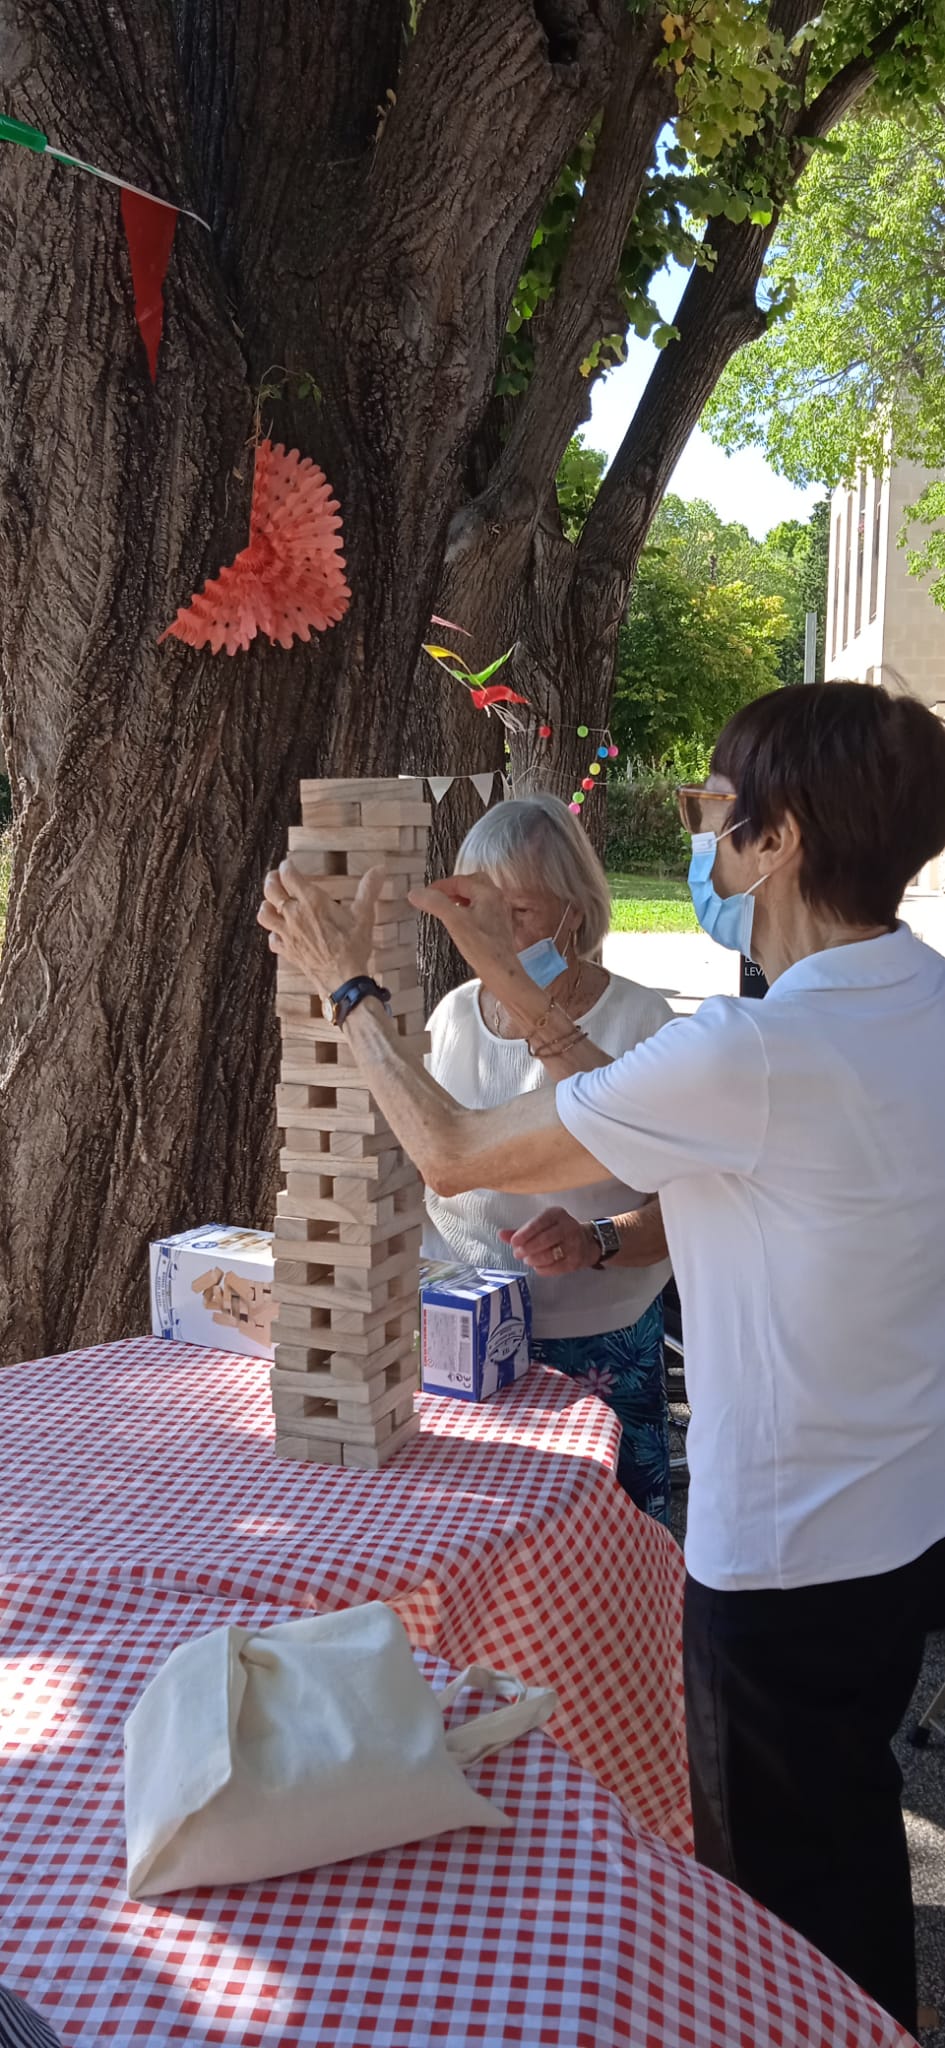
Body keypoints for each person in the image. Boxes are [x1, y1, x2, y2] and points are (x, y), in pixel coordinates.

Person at [259, 682, 945, 2036]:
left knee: (781, 1894)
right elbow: (648, 1132)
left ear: (779, 838)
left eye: (711, 814)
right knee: (847, 1816)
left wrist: (341, 978)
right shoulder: (908, 1006)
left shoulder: (759, 1048)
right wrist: (506, 976)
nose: (701, 841)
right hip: (901, 1520)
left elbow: (453, 1151)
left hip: (785, 1555)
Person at [423, 793, 674, 1520]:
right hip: (457, 1334)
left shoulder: (638, 1021)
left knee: (606, 1556)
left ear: (575, 910)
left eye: (521, 912)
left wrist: (597, 1239)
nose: (496, 935)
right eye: (477, 911)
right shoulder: (450, 1016)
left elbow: (691, 1206)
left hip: (595, 1336)